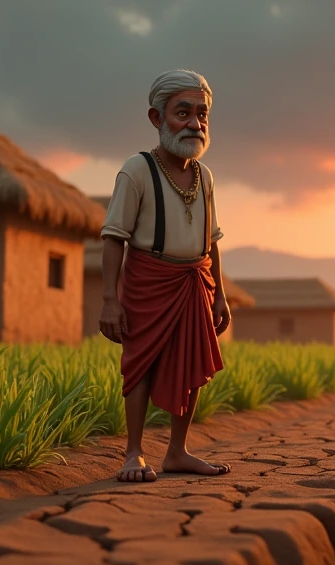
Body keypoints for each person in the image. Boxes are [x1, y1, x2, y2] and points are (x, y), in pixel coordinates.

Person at [98, 69, 232, 482]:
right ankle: (134, 452)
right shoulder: (136, 170)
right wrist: (109, 298)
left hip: (196, 281)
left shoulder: (204, 175)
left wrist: (220, 295)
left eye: (202, 114)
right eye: (183, 112)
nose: (195, 123)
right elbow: (113, 236)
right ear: (157, 119)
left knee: (192, 359)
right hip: (148, 279)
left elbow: (212, 240)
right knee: (140, 362)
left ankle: (178, 451)